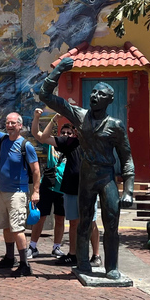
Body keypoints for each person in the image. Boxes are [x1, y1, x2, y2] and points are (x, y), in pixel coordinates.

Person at [39, 57, 134, 280]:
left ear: (109, 100)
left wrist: (129, 190)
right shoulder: (80, 116)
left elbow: (126, 158)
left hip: (107, 177)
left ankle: (111, 267)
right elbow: (45, 95)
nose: (95, 96)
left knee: (111, 222)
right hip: (87, 176)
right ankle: (82, 263)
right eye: (93, 92)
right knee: (84, 221)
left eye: (101, 94)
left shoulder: (116, 126)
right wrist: (59, 70)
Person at [32, 109, 101, 267]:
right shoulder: (70, 142)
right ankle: (72, 255)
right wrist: (54, 119)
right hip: (70, 189)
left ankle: (96, 255)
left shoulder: (95, 143)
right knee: (73, 222)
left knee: (91, 221)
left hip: (89, 189)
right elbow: (42, 137)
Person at [0, 103, 40, 277]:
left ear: (20, 126)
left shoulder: (26, 146)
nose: (9, 125)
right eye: (8, 122)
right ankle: (9, 258)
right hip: (2, 191)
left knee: (17, 229)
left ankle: (25, 264)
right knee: (6, 226)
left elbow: (36, 170)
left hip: (17, 193)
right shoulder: (3, 139)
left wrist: (36, 191)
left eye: (13, 123)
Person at [27, 109, 66, 259]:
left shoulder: (73, 148)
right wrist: (39, 118)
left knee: (60, 218)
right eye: (63, 133)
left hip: (63, 188)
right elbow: (37, 133)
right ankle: (33, 246)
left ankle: (57, 247)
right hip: (48, 185)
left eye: (68, 133)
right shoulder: (52, 144)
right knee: (41, 216)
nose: (65, 135)